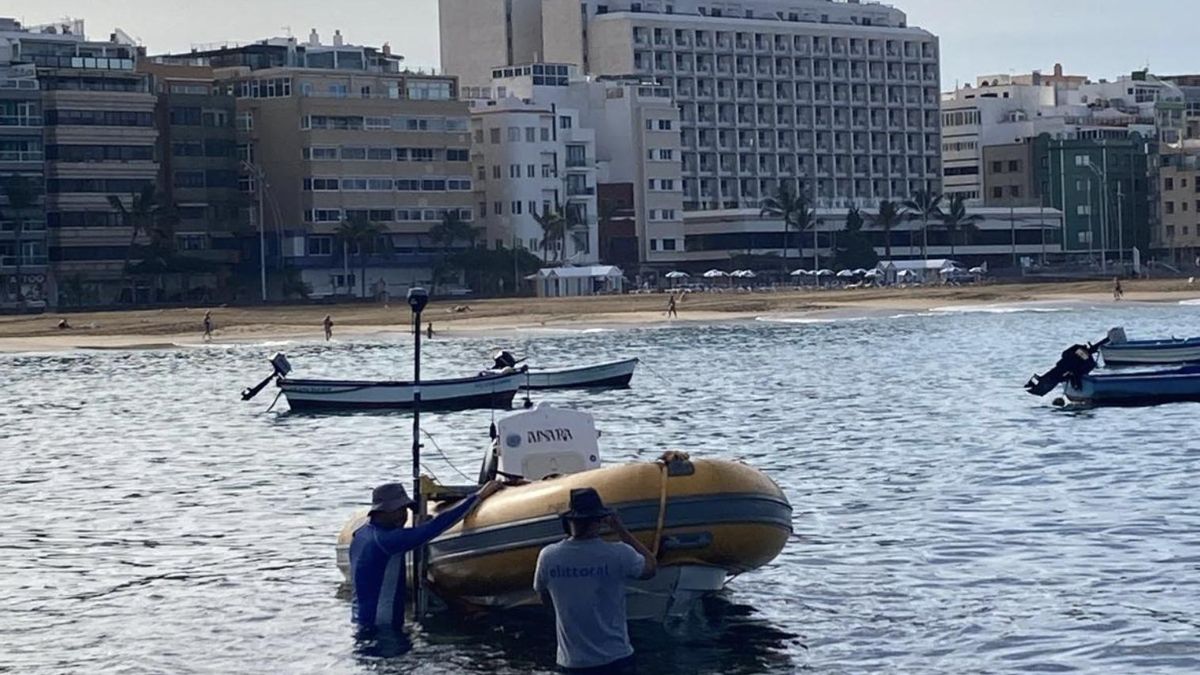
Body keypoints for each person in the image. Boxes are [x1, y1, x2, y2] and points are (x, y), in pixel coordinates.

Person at [349, 480, 503, 630]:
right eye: (400, 510)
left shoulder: (362, 534)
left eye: (406, 510)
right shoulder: (387, 541)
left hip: (362, 620)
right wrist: (478, 497)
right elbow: (436, 527)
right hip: (383, 626)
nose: (404, 516)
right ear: (384, 511)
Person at [534, 488, 657, 674]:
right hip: (616, 659)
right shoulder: (619, 554)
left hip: (571, 663)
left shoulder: (548, 557)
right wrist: (621, 530)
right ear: (599, 519)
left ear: (569, 520)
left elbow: (544, 598)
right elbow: (650, 567)